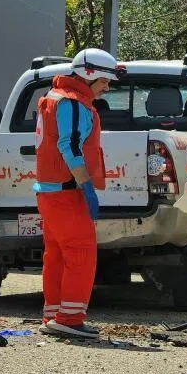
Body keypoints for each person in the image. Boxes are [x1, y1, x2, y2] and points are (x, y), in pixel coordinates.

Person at [33, 48, 124, 339]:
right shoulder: (72, 104)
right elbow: (68, 146)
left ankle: (54, 314)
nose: (107, 87)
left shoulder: (57, 98)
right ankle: (70, 319)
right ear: (88, 75)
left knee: (57, 254)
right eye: (104, 81)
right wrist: (85, 185)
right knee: (81, 253)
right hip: (66, 192)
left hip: (51, 192)